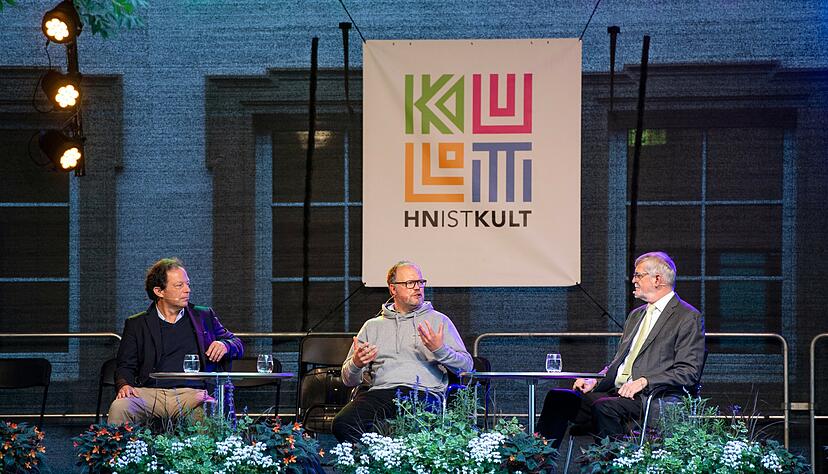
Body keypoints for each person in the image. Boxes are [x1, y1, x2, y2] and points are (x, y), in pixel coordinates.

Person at [536, 251, 705, 446]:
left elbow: (689, 372)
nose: (633, 280)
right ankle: (538, 462)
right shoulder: (636, 315)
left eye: (638, 275)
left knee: (604, 408)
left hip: (649, 398)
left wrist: (644, 381)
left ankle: (615, 464)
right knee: (559, 398)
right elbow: (622, 362)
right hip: (616, 394)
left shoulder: (687, 317)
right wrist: (596, 380)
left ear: (657, 279)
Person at [332, 260, 473, 443]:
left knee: (415, 428)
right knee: (343, 423)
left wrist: (440, 350)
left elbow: (467, 368)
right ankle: (377, 463)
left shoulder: (439, 321)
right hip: (382, 393)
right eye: (410, 283)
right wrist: (357, 364)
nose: (417, 288)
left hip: (424, 393)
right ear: (393, 289)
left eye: (420, 282)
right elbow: (348, 380)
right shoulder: (372, 326)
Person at [107, 258, 244, 424]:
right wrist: (124, 384)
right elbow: (125, 365)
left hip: (194, 394)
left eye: (187, 284)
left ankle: (206, 451)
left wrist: (225, 345)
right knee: (120, 407)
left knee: (209, 411)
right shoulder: (137, 324)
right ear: (159, 291)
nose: (187, 290)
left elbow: (236, 343)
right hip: (152, 393)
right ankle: (115, 450)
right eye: (179, 286)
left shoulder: (203, 316)